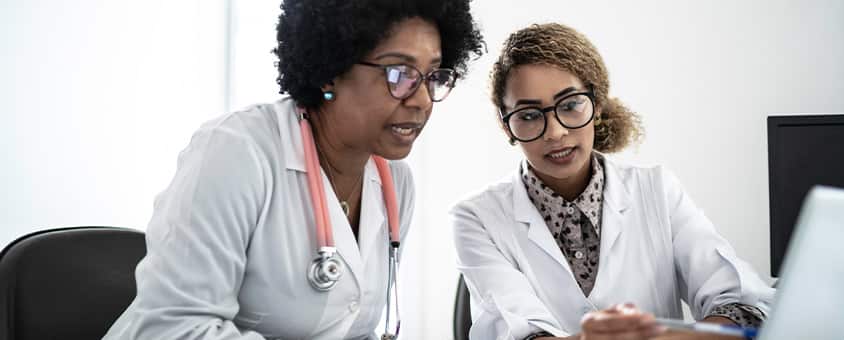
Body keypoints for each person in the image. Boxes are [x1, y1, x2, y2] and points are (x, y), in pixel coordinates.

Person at [103, 1, 483, 339]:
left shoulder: (395, 184)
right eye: (398, 74)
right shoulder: (235, 153)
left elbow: (350, 326)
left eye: (433, 76)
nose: (420, 100)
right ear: (330, 71)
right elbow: (173, 327)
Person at [451, 23, 773, 340]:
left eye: (571, 105)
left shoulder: (657, 190)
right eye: (530, 115)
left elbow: (742, 304)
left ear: (597, 101)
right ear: (506, 124)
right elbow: (518, 334)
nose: (555, 132)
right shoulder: (476, 217)